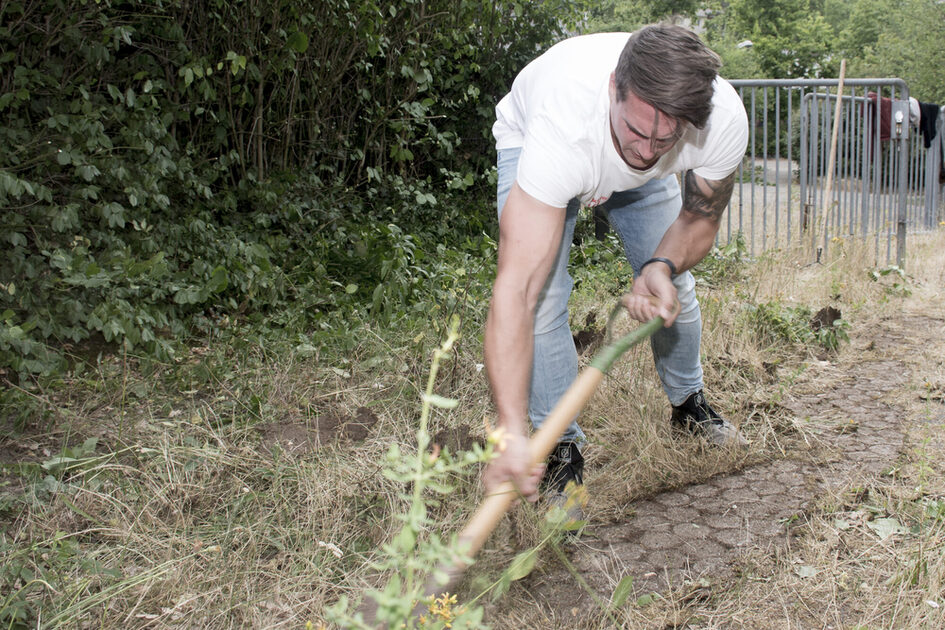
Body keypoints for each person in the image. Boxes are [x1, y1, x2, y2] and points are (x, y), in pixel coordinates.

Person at [481, 25, 750, 511]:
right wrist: (511, 431)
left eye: (664, 139)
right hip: (546, 141)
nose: (646, 151)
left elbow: (699, 218)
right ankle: (556, 445)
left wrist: (662, 265)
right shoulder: (562, 128)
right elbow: (516, 289)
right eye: (638, 130)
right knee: (543, 302)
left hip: (610, 149)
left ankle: (689, 403)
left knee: (675, 292)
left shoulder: (720, 119)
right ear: (614, 89)